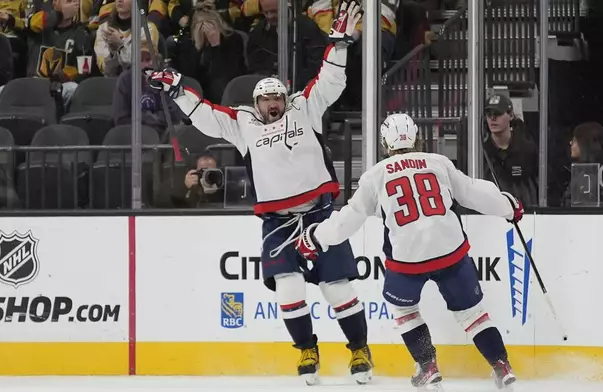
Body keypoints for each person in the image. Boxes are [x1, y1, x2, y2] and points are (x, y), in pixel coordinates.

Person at [149, 1, 373, 386]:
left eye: (277, 99)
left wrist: (338, 44)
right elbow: (205, 114)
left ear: (285, 99)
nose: (273, 105)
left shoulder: (305, 108)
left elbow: (331, 81)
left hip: (320, 217)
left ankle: (358, 349)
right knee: (288, 290)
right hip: (278, 222)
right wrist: (177, 90)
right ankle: (306, 348)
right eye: (266, 100)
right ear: (256, 103)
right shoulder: (243, 124)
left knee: (338, 289)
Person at [295, 113, 524, 391]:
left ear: (384, 143)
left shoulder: (375, 175)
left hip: (407, 260)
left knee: (405, 310)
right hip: (450, 251)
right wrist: (508, 207)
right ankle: (502, 365)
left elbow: (348, 219)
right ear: (418, 137)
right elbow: (474, 192)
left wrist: (316, 236)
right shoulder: (438, 163)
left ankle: (427, 366)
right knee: (473, 315)